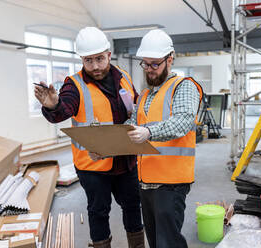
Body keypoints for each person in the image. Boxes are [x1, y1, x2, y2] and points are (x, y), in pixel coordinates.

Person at [34, 27, 144, 248]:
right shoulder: (74, 85)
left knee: (133, 206)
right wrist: (54, 106)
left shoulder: (124, 77)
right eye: (88, 60)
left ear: (109, 55)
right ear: (82, 59)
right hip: (93, 166)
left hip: (126, 160)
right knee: (98, 211)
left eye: (100, 59)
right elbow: (64, 108)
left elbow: (136, 105)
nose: (95, 66)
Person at [126, 29, 203, 248]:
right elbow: (132, 126)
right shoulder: (144, 95)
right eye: (145, 64)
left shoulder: (184, 86)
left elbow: (184, 122)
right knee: (155, 241)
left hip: (171, 182)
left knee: (168, 242)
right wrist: (105, 144)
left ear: (170, 59)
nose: (149, 70)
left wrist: (148, 132)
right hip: (146, 180)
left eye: (155, 64)